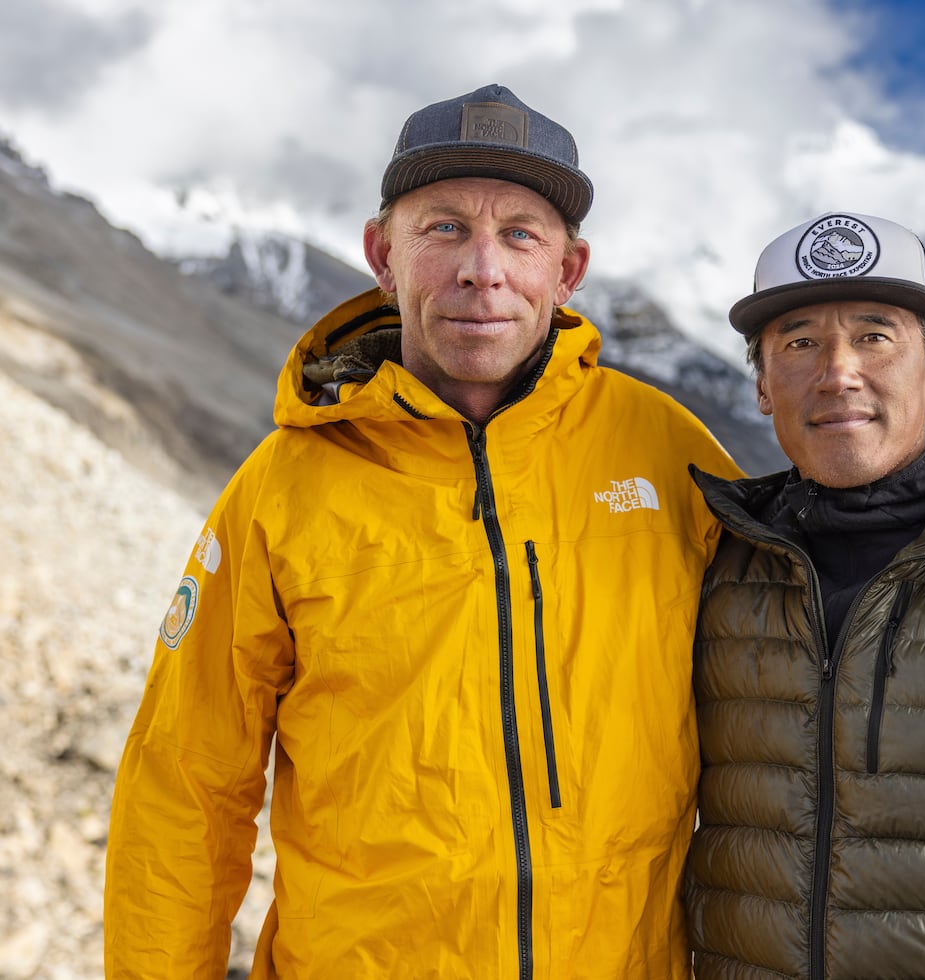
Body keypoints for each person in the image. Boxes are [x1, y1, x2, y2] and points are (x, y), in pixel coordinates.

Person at [103, 83, 741, 979]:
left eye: (520, 233)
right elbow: (185, 788)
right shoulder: (281, 491)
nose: (483, 269)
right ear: (381, 255)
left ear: (569, 270)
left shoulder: (669, 453)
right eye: (443, 228)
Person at [685, 211, 925, 978]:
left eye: (876, 335)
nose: (837, 371)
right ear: (759, 384)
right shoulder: (716, 562)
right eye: (800, 342)